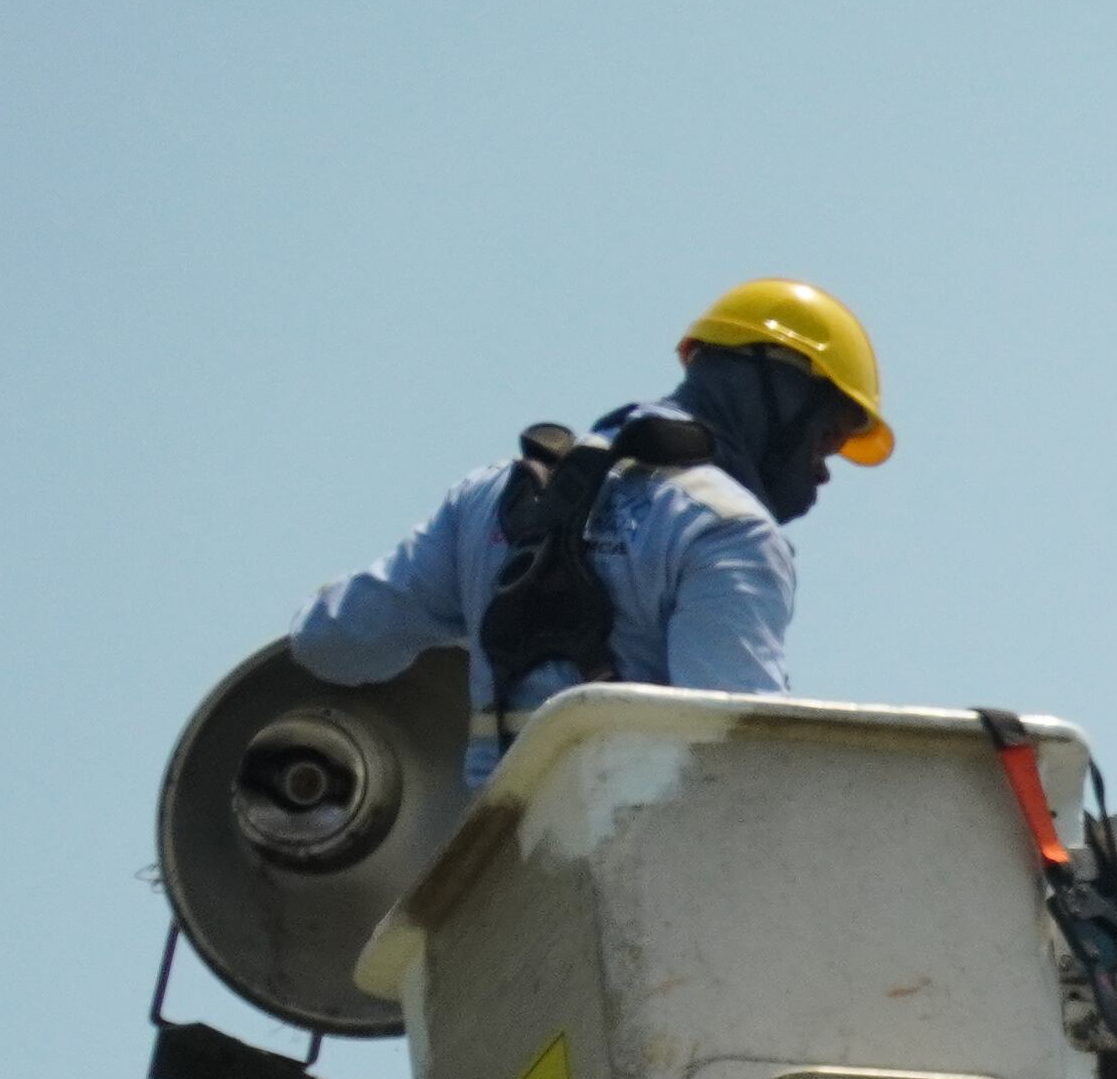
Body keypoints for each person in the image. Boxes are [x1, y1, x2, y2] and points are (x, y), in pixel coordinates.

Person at [292, 278, 895, 784]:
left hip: (495, 891)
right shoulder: (727, 532)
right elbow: (739, 761)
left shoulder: (490, 498)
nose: (823, 471)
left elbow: (331, 643)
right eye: (828, 437)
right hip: (644, 879)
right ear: (780, 396)